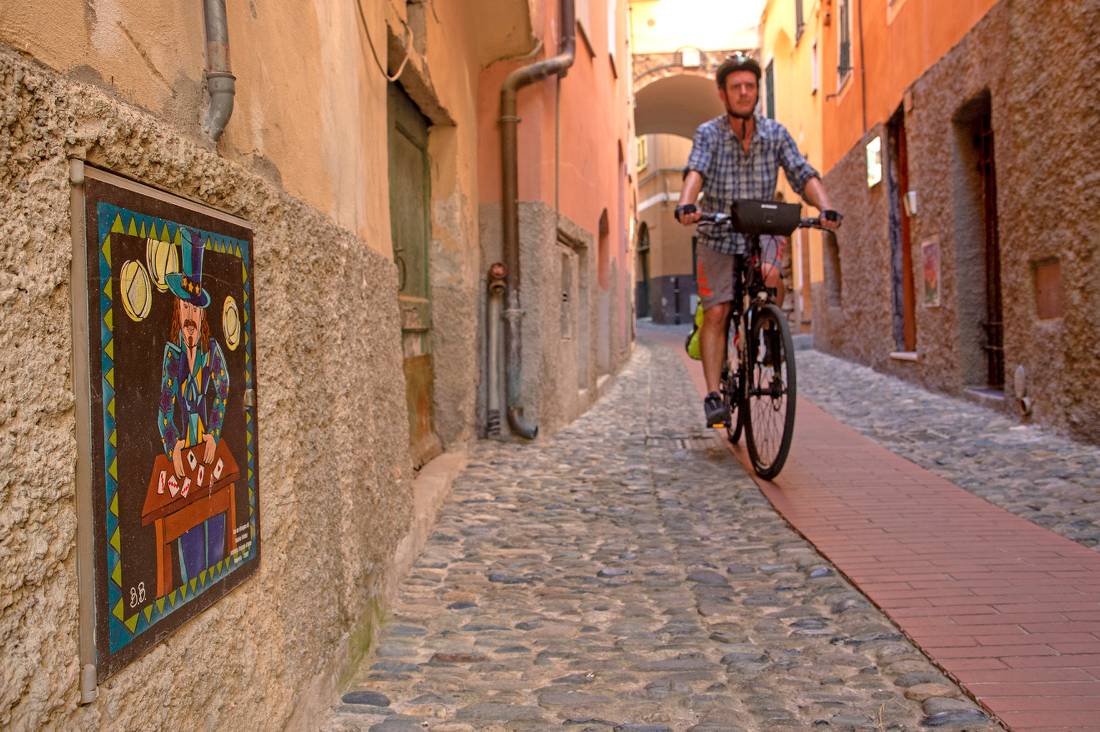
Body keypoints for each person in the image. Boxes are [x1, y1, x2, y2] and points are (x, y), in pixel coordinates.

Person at [675, 53, 841, 428]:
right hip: (717, 232)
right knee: (717, 311)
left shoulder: (775, 134)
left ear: (757, 91)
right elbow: (696, 170)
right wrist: (687, 202)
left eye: (750, 85)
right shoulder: (709, 134)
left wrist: (826, 207)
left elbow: (801, 172)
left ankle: (768, 335)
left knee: (769, 275)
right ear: (723, 93)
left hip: (761, 228)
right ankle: (714, 394)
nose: (745, 91)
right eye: (737, 87)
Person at [158, 228, 231, 584]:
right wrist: (172, 447)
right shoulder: (172, 358)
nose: (189, 315)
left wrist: (214, 435)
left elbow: (224, 389)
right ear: (178, 310)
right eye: (184, 307)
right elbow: (163, 408)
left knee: (215, 525)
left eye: (195, 309)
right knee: (187, 531)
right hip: (184, 460)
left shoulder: (211, 353)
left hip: (208, 455)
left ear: (202, 316)